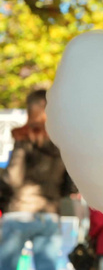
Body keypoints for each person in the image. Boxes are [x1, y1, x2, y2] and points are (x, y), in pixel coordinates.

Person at [0, 89, 79, 270]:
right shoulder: (63, 142)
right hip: (49, 213)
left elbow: (13, 177)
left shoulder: (24, 138)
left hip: (19, 211)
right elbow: (71, 183)